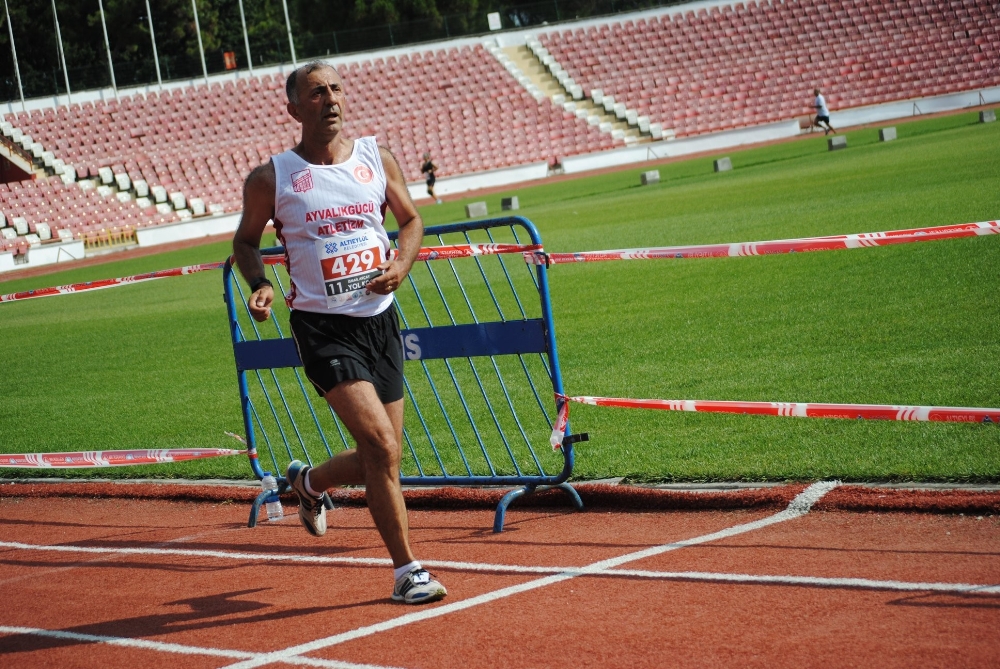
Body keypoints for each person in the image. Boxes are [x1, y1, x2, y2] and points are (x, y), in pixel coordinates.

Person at [232, 61, 447, 605]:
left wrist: (402, 264)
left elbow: (411, 221)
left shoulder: (377, 158)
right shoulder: (272, 177)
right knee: (379, 442)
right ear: (293, 109)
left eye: (335, 88)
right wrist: (259, 284)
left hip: (382, 320)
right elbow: (246, 243)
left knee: (385, 453)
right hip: (324, 330)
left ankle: (308, 484)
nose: (330, 98)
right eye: (316, 92)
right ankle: (407, 571)